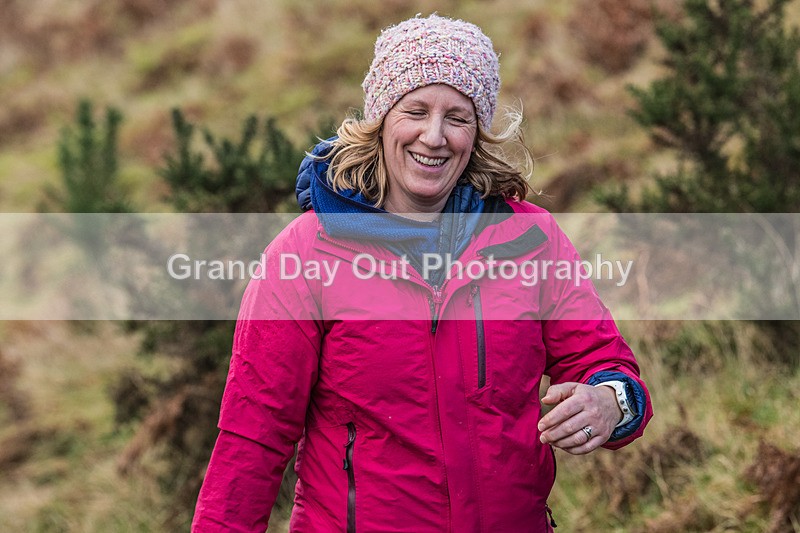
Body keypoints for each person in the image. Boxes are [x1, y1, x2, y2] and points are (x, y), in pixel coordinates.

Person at [192, 14, 652, 533]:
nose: (434, 137)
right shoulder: (305, 256)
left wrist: (611, 402)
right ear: (381, 118)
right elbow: (253, 436)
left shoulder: (532, 240)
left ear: (476, 132)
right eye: (416, 110)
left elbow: (605, 361)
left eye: (457, 117)